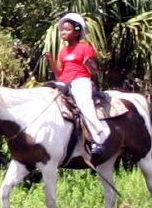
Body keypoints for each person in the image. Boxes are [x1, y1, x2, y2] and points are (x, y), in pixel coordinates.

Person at [44, 13, 107, 157]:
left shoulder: (85, 47)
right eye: (62, 30)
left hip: (81, 81)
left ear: (77, 31)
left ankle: (98, 137)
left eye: (67, 30)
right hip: (65, 82)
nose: (63, 32)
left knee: (84, 103)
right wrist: (51, 61)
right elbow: (59, 74)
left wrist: (89, 63)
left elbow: (94, 71)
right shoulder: (62, 52)